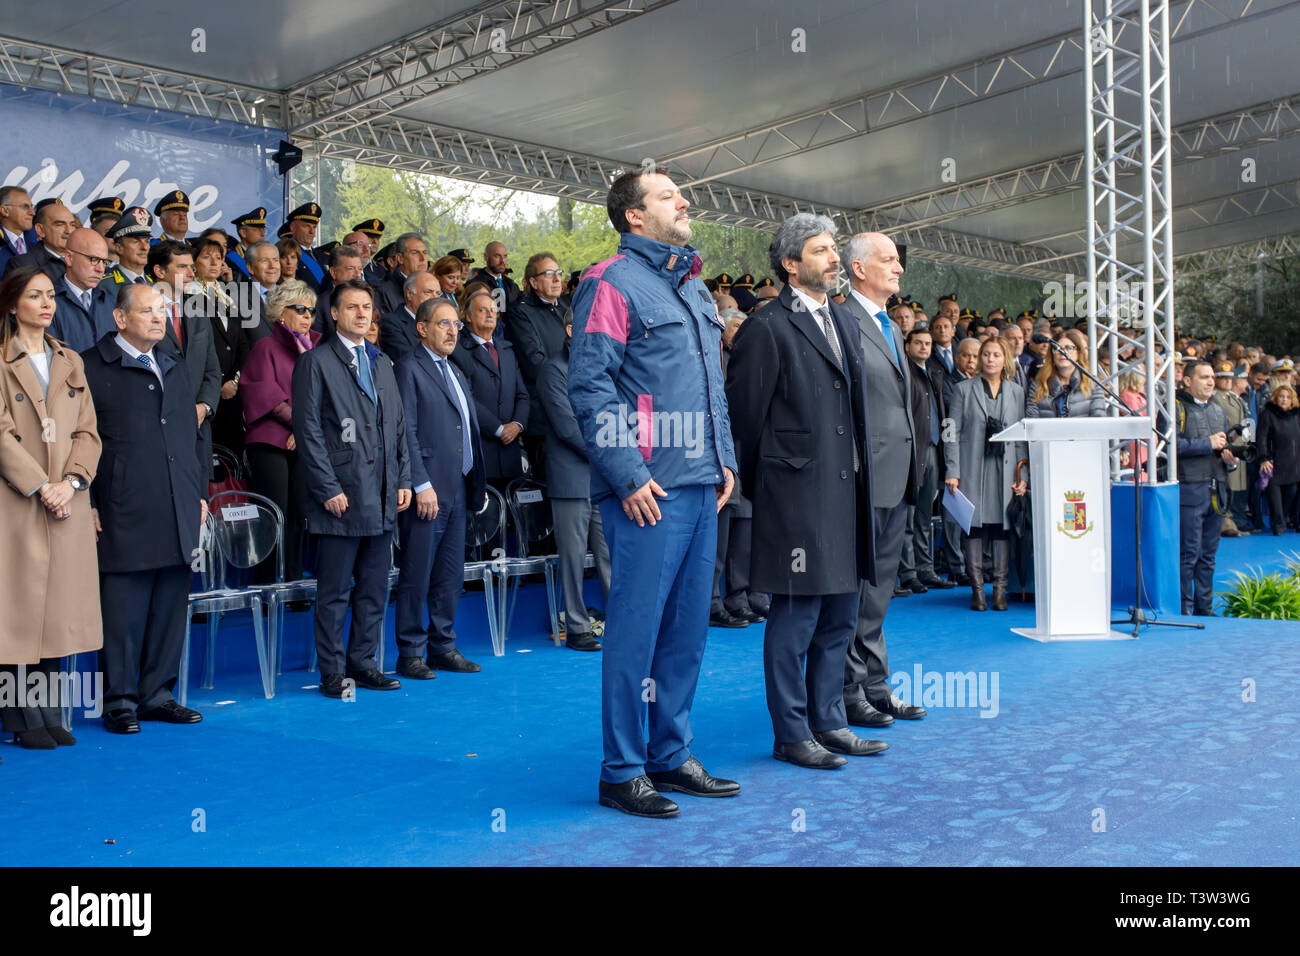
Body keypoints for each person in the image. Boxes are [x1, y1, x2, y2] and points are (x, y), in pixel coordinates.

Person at [569, 166, 739, 817]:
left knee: (687, 632)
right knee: (635, 633)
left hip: (702, 485)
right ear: (635, 216)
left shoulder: (693, 288)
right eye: (668, 195)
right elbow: (590, 385)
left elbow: (709, 387)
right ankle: (621, 769)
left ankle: (670, 753)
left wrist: (725, 460)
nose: (683, 200)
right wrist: (627, 472)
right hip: (648, 490)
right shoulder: (608, 283)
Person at [727, 214, 885, 769]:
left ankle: (830, 722)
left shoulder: (842, 319)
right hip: (794, 500)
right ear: (791, 264)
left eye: (834, 249)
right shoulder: (766, 326)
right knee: (795, 619)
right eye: (821, 251)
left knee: (840, 616)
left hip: (846, 494)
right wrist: (764, 493)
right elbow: (743, 420)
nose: (834, 258)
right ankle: (791, 734)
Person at [82, 282, 207, 733]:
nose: (158, 317)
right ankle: (119, 700)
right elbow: (82, 442)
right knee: (123, 610)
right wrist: (90, 501)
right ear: (119, 318)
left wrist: (199, 492)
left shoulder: (174, 365)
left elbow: (192, 437)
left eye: (162, 310)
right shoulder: (91, 366)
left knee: (169, 605)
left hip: (177, 502)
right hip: (122, 505)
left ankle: (157, 694)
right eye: (147, 311)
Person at [292, 279, 411, 697]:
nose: (362, 313)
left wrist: (404, 479)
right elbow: (307, 432)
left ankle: (363, 664)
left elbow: (398, 428)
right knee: (335, 594)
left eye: (367, 307)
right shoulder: (316, 362)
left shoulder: (381, 362)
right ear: (336, 314)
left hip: (381, 496)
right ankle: (331, 672)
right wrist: (327, 488)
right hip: (340, 497)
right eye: (353, 307)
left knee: (375, 589)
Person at [0, 267, 103, 749]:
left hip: (66, 500)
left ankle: (47, 709)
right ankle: (19, 717)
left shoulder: (69, 359)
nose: (46, 303)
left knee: (56, 609)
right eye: (34, 295)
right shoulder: (1, 359)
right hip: (17, 500)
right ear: (12, 302)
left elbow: (88, 431)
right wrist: (41, 484)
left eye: (49, 295)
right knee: (17, 610)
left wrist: (73, 481)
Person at [836, 231, 926, 728]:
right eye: (888, 260)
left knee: (879, 590)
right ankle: (849, 690)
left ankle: (875, 683)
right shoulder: (842, 321)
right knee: (855, 589)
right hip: (862, 478)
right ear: (859, 269)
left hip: (896, 475)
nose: (898, 268)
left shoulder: (889, 324)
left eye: (898, 260)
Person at [392, 298, 488, 677]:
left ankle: (442, 646)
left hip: (458, 488)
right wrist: (420, 482)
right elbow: (407, 432)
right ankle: (410, 652)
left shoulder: (456, 371)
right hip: (428, 491)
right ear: (421, 328)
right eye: (443, 324)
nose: (452, 331)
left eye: (455, 325)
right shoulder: (408, 368)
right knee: (418, 574)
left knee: (450, 574)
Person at [535, 320, 610, 651]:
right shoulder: (553, 370)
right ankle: (578, 629)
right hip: (571, 479)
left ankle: (621, 623)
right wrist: (610, 451)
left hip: (602, 478)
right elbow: (566, 427)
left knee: (611, 557)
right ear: (569, 328)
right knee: (573, 559)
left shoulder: (601, 365)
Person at [239, 280, 320, 582]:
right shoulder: (265, 346)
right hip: (270, 443)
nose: (306, 316)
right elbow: (267, 396)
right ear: (280, 312)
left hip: (302, 442)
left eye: (310, 310)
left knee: (300, 513)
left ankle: (294, 581)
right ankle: (268, 583)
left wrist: (303, 431)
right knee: (274, 514)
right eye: (299, 309)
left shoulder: (315, 348)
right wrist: (301, 426)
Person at [943, 337, 1029, 611]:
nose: (990, 359)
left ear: (1006, 359)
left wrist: (1023, 474)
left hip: (1005, 469)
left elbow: (1021, 437)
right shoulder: (962, 389)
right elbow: (950, 431)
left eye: (996, 355)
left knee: (1002, 528)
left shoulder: (1016, 392)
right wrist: (952, 469)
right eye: (986, 355)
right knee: (974, 526)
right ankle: (977, 591)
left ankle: (1000, 591)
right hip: (971, 467)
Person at [149, 240, 221, 483]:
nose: (191, 273)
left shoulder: (198, 308)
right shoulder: (143, 310)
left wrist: (205, 407)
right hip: (159, 427)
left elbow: (212, 368)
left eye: (191, 266)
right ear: (159, 271)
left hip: (199, 428)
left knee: (200, 504)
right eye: (182, 267)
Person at [1174, 360, 1237, 615]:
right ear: (1188, 381)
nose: (1211, 381)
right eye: (1204, 377)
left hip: (1216, 489)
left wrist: (1230, 461)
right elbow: (1171, 447)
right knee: (1188, 553)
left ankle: (1204, 606)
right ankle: (1184, 607)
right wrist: (1206, 444)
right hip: (1190, 489)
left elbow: (1221, 448)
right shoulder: (1175, 408)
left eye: (1212, 377)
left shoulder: (1218, 410)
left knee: (1208, 554)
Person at [451, 289, 529, 491]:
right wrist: (498, 428)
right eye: (482, 310)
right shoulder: (458, 350)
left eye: (493, 310)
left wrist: (517, 424)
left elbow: (522, 395)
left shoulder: (507, 350)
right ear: (467, 317)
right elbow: (465, 397)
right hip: (482, 452)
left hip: (511, 454)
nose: (489, 314)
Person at [898, 327, 956, 593]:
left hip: (933, 448)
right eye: (918, 343)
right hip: (911, 450)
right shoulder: (903, 373)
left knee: (924, 515)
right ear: (907, 345)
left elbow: (943, 413)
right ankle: (908, 572)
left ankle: (926, 569)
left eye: (928, 344)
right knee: (907, 515)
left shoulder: (935, 374)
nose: (924, 347)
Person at [506, 252, 573, 481]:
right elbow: (535, 363)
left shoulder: (567, 306)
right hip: (545, 418)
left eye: (558, 273)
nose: (556, 279)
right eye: (548, 274)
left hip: (574, 410)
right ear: (533, 282)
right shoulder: (520, 312)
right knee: (552, 490)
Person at [51, 228, 116, 353]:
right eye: (94, 259)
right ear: (69, 258)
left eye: (104, 262)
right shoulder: (49, 302)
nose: (100, 269)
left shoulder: (110, 301)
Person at [1026, 329, 1108, 418]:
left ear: (1078, 353)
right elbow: (1031, 422)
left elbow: (1099, 419)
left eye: (1069, 348)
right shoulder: (1038, 385)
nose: (1063, 352)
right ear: (1052, 354)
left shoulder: (1092, 383)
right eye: (1058, 349)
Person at [1210, 363, 1252, 536]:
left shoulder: (1232, 397)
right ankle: (1225, 520)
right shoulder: (1216, 397)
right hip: (1225, 447)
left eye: (1229, 378)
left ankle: (1230, 519)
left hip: (1237, 446)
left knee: (1234, 486)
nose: (1228, 381)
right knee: (1226, 485)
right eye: (1223, 378)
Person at [1257, 385, 1299, 535]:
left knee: (1291, 493)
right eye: (1281, 396)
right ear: (1276, 397)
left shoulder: (1296, 415)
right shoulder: (1268, 414)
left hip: (1293, 464)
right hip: (1274, 463)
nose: (1284, 400)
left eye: (1288, 397)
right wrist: (1263, 458)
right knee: (1274, 499)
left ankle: (1284, 518)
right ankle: (1278, 524)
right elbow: (1261, 438)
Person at [4, 199, 75, 283]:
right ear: (40, 230)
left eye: (72, 224)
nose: (69, 231)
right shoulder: (22, 265)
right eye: (60, 225)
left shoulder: (86, 258)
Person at [379, 271, 439, 366]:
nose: (435, 299)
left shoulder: (442, 324)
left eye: (438, 293)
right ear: (410, 294)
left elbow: (466, 364)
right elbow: (409, 361)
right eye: (428, 292)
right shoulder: (390, 323)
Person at [312, 245, 364, 337]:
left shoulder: (368, 299)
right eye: (350, 269)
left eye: (360, 269)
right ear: (333, 272)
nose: (357, 275)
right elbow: (317, 344)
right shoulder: (320, 304)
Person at [99, 207, 155, 289]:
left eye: (147, 241)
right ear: (119, 248)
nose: (145, 247)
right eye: (136, 241)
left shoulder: (156, 285)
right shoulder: (103, 285)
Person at [374, 234, 429, 316]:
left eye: (424, 252)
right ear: (400, 258)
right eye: (415, 253)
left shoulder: (433, 288)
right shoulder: (384, 292)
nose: (423, 258)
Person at [470, 241, 523, 313]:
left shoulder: (512, 286)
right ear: (486, 257)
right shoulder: (474, 285)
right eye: (497, 256)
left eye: (505, 256)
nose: (502, 261)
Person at [0, 186, 39, 275]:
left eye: (31, 207)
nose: (32, 213)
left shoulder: (41, 238)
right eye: (25, 207)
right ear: (5, 211)